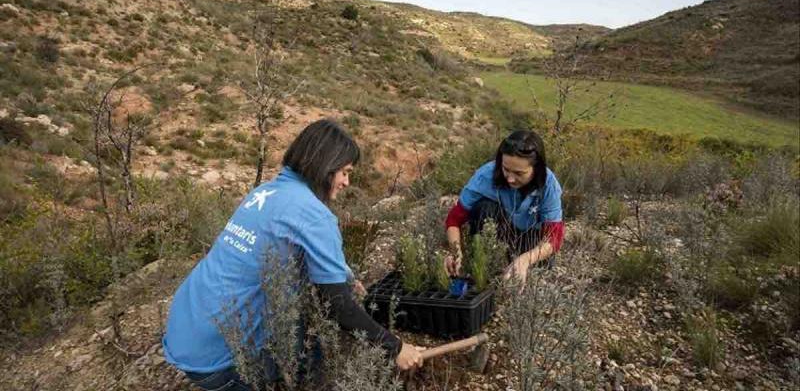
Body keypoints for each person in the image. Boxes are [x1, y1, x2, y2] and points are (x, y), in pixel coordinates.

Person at [163, 119, 423, 390]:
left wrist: (344, 275)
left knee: (302, 331)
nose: (347, 182)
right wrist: (395, 347)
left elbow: (292, 242)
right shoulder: (314, 214)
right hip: (217, 358)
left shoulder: (266, 192)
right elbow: (337, 305)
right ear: (325, 165)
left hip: (184, 327)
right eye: (345, 172)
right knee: (311, 346)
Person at [443, 130, 565, 286]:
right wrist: (456, 252)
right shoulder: (485, 176)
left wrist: (525, 259)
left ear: (536, 169)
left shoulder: (549, 185)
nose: (511, 179)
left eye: (519, 173)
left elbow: (555, 237)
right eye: (506, 169)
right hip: (497, 232)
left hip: (530, 236)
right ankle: (483, 266)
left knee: (539, 270)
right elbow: (454, 219)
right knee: (484, 208)